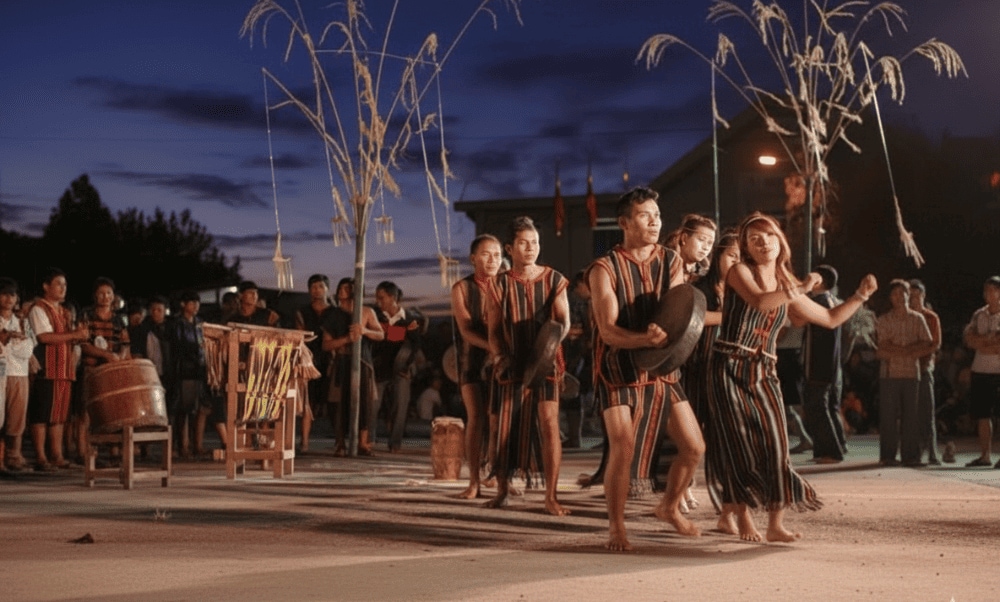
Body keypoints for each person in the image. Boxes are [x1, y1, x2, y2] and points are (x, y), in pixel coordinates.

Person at [705, 212, 876, 543]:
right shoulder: (740, 272)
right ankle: (743, 518)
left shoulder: (788, 285)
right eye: (754, 238)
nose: (763, 241)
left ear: (779, 240)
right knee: (739, 443)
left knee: (777, 444)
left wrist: (860, 296)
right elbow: (759, 301)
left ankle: (775, 522)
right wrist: (801, 287)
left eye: (768, 235)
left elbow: (827, 317)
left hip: (764, 370)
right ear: (746, 247)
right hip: (728, 365)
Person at [587, 187, 705, 551]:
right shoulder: (603, 269)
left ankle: (668, 507)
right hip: (617, 367)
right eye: (644, 215)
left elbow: (677, 311)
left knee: (694, 448)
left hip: (662, 367)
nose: (654, 221)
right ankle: (616, 527)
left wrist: (665, 340)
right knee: (623, 446)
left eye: (657, 215)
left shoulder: (670, 260)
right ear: (624, 222)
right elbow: (607, 331)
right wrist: (644, 340)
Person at [486, 215, 570, 515]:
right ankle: (503, 490)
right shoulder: (498, 285)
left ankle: (551, 495)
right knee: (507, 427)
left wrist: (548, 352)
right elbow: (494, 331)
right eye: (523, 243)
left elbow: (563, 322)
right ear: (510, 248)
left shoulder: (554, 279)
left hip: (546, 363)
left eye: (534, 242)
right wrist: (499, 357)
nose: (531, 248)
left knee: (549, 424)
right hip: (511, 363)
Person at [686, 229, 739, 533]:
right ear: (718, 256)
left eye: (741, 258)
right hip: (697, 370)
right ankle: (679, 491)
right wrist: (729, 316)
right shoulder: (701, 288)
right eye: (731, 256)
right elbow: (693, 317)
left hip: (728, 373)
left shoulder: (741, 289)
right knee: (694, 442)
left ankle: (727, 512)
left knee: (726, 445)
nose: (737, 263)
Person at [450, 234, 503, 498]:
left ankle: (498, 476)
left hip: (504, 362)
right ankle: (473, 481)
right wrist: (493, 347)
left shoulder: (508, 284)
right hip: (472, 361)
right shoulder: (462, 288)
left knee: (499, 421)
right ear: (473, 259)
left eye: (497, 254)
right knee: (477, 418)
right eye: (486, 254)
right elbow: (466, 330)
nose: (492, 259)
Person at [27, 268, 89, 471]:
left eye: (65, 285)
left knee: (59, 415)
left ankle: (57, 455)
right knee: (42, 414)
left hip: (64, 370)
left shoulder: (65, 312)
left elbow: (73, 338)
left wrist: (79, 336)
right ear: (46, 286)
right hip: (47, 368)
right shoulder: (38, 308)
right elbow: (43, 337)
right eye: (58, 284)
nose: (63, 288)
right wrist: (74, 335)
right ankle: (41, 456)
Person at [874, 279, 933, 467]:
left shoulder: (918, 319)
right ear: (890, 298)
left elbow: (927, 343)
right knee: (889, 417)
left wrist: (901, 349)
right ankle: (888, 455)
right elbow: (881, 348)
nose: (899, 297)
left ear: (909, 295)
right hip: (889, 374)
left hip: (911, 373)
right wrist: (907, 350)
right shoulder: (883, 320)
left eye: (903, 293)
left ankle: (910, 456)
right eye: (895, 294)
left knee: (911, 416)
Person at [322, 278, 383, 455]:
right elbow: (326, 345)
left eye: (347, 288)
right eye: (340, 288)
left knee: (365, 402)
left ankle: (363, 443)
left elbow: (380, 334)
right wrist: (346, 340)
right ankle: (340, 443)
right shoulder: (333, 315)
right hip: (341, 361)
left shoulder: (367, 312)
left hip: (363, 362)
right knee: (338, 403)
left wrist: (364, 331)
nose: (342, 291)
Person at [80, 277, 131, 465]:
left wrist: (120, 356)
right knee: (87, 411)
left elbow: (125, 344)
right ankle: (84, 452)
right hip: (91, 369)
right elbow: (83, 344)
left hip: (112, 371)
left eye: (109, 293)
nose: (105, 297)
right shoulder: (86, 315)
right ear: (95, 295)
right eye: (101, 293)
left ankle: (114, 451)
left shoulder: (119, 319)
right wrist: (105, 354)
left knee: (113, 410)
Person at [801, 265, 848, 464]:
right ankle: (831, 448)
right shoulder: (833, 301)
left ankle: (831, 452)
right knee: (827, 407)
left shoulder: (819, 303)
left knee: (818, 408)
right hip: (831, 365)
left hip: (819, 364)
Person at [370, 281, 424, 453]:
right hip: (380, 369)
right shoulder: (377, 318)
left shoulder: (410, 320)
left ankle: (395, 443)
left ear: (393, 298)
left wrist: (407, 367)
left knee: (401, 406)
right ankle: (368, 441)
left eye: (381, 298)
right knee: (373, 406)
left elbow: (415, 346)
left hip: (401, 369)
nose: (378, 301)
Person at [962, 275, 1000, 468]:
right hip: (981, 369)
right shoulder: (979, 315)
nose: (987, 294)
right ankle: (985, 455)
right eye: (986, 290)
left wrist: (982, 342)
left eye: (992, 290)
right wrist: (988, 341)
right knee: (982, 414)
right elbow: (969, 339)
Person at [294, 274, 334, 452]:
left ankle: (339, 442)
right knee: (307, 402)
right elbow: (299, 335)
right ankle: (304, 442)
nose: (316, 290)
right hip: (309, 359)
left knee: (332, 401)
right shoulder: (303, 311)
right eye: (313, 287)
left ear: (327, 289)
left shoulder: (335, 312)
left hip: (330, 360)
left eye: (320, 286)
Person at [0, 278, 37, 472]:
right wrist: (11, 343)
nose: (8, 299)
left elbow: (29, 347)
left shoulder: (22, 322)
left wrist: (10, 343)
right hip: (1, 373)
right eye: (4, 293)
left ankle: (14, 455)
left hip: (19, 373)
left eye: (12, 294)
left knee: (16, 416)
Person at [908, 279, 943, 465]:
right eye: (910, 296)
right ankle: (915, 451)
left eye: (916, 296)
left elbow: (935, 344)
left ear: (923, 296)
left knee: (927, 411)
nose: (913, 300)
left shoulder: (931, 317)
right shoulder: (906, 318)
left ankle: (932, 451)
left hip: (924, 367)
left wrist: (914, 353)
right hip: (906, 369)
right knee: (910, 413)